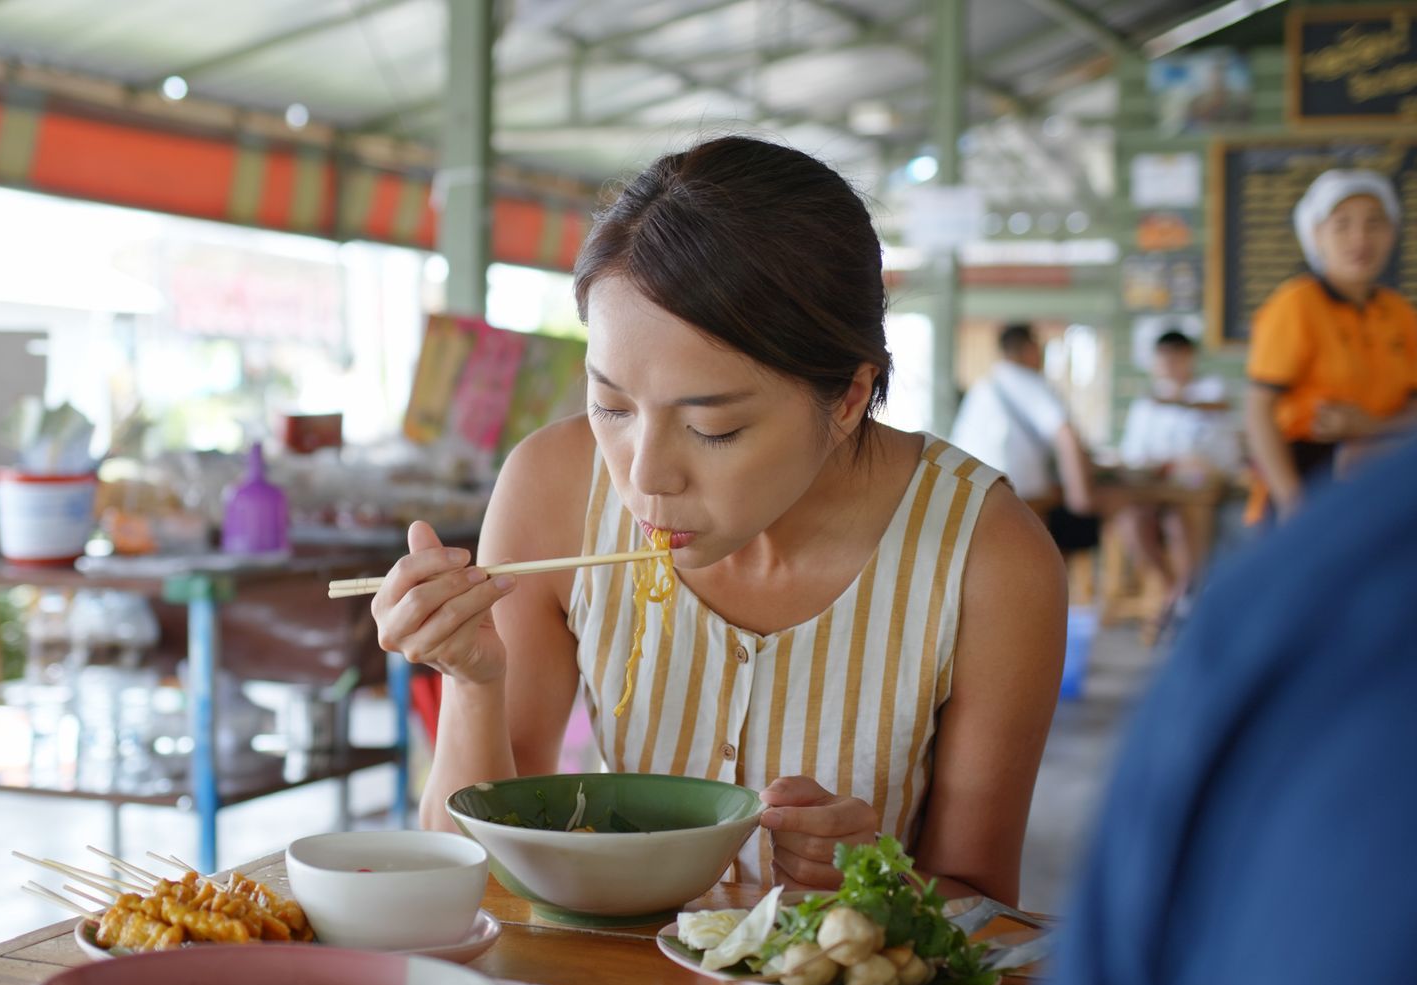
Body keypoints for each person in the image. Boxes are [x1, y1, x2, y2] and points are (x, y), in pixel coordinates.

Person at [373, 137, 1064, 903]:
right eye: (611, 406)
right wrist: (474, 680)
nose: (644, 476)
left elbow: (987, 907)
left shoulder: (989, 558)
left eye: (714, 429)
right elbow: (471, 879)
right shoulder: (553, 491)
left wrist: (881, 880)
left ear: (845, 398)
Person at [1037, 393, 1417, 985]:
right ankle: (1175, 590)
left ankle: (1176, 592)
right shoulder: (1326, 600)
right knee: (1147, 522)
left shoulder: (1331, 591)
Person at [1243, 169, 1417, 525]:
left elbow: (1415, 412)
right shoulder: (1296, 305)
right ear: (1316, 236)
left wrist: (1369, 427)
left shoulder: (1400, 313)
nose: (1360, 238)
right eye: (1342, 224)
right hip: (1304, 480)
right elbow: (1258, 412)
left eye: (1374, 223)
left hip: (1379, 477)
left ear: (1392, 233)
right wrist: (1294, 503)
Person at [1110, 331, 1238, 621]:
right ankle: (1173, 589)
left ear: (1188, 357)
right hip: (1155, 489)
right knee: (1131, 520)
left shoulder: (1211, 392)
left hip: (1196, 489)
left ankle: (1190, 592)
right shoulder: (1146, 403)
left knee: (1180, 521)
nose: (1167, 364)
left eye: (1174, 357)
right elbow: (1134, 453)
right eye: (1162, 358)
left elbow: (1217, 450)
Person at [949, 323, 1100, 552]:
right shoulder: (1030, 381)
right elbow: (1065, 435)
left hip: (969, 495)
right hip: (1019, 496)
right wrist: (1081, 498)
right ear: (1030, 349)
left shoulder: (981, 388)